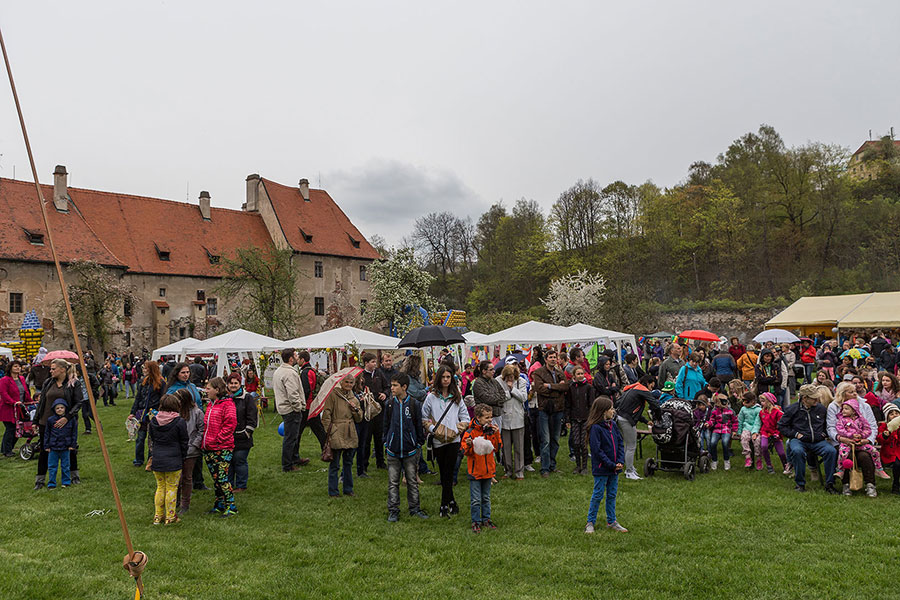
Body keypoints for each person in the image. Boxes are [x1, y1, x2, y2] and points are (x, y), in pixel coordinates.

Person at [422, 365, 469, 517]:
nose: (446, 380)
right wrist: (433, 430)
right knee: (444, 472)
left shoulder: (457, 397)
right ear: (438, 378)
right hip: (438, 440)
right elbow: (424, 417)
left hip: (454, 439)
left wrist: (457, 429)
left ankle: (444, 504)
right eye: (443, 377)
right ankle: (452, 502)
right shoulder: (431, 397)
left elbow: (465, 417)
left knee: (449, 471)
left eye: (448, 377)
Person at [778, 384, 839, 494]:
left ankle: (830, 484)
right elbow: (782, 426)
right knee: (797, 451)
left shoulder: (820, 409)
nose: (817, 399)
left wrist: (824, 434)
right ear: (805, 398)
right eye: (814, 398)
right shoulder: (792, 409)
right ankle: (800, 484)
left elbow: (827, 424)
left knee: (831, 451)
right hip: (799, 440)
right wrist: (795, 434)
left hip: (818, 441)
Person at [33, 359, 84, 490]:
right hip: (46, 421)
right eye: (50, 368)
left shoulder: (73, 384)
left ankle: (73, 476)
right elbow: (42, 402)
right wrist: (36, 420)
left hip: (65, 422)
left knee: (70, 449)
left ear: (62, 369)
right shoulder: (48, 383)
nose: (50, 371)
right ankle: (40, 479)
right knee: (45, 449)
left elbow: (78, 402)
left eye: (53, 368)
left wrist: (67, 417)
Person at [383, 372, 427, 520]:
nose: (392, 388)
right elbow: (386, 425)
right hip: (393, 450)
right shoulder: (389, 404)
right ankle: (393, 510)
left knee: (412, 481)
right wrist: (386, 441)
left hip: (410, 450)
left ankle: (415, 508)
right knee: (393, 483)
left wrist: (418, 442)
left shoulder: (414, 404)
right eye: (391, 385)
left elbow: (418, 425)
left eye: (395, 385)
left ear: (404, 387)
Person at [584, 395, 627, 534]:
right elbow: (597, 451)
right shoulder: (596, 428)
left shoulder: (613, 425)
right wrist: (610, 464)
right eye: (611, 408)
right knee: (598, 495)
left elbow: (620, 443)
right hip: (602, 469)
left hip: (614, 468)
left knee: (612, 494)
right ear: (603, 411)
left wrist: (620, 461)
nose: (613, 411)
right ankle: (590, 522)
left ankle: (612, 521)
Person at [321, 369, 363, 499]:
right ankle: (333, 491)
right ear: (341, 382)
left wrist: (355, 410)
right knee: (335, 464)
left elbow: (359, 418)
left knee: (348, 463)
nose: (349, 385)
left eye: (351, 383)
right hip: (337, 431)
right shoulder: (333, 395)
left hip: (350, 432)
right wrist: (331, 431)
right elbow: (326, 416)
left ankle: (348, 489)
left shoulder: (354, 398)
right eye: (347, 382)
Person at [460, 403, 502, 533]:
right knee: (476, 499)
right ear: (478, 417)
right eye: (487, 417)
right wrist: (468, 445)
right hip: (475, 471)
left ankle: (486, 519)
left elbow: (496, 447)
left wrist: (496, 435)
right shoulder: (470, 432)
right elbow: (465, 451)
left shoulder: (490, 430)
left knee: (486, 498)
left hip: (488, 470)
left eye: (491, 417)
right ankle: (476, 521)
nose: (490, 420)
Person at [149, 394, 188, 524]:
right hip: (174, 459)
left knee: (160, 487)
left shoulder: (154, 421)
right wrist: (183, 456)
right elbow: (184, 441)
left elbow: (152, 440)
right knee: (172, 488)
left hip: (158, 458)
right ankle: (170, 517)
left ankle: (158, 516)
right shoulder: (179, 422)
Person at [202, 377, 238, 516]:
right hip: (208, 447)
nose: (206, 390)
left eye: (208, 388)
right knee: (216, 478)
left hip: (222, 448)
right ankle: (219, 503)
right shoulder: (211, 405)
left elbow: (230, 424)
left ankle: (231, 504)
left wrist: (218, 440)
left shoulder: (227, 404)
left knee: (222, 477)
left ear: (217, 390)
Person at [531, 350, 569, 478]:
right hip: (544, 409)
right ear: (546, 359)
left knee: (555, 439)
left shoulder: (559, 372)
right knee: (545, 440)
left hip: (558, 409)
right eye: (550, 357)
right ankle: (545, 468)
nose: (553, 359)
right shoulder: (538, 372)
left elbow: (565, 387)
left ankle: (552, 465)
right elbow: (539, 389)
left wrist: (550, 386)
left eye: (555, 357)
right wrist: (557, 387)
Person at [834, 396, 887, 480]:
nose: (843, 410)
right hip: (847, 443)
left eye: (846, 409)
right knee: (842, 454)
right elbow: (840, 430)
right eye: (843, 409)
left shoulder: (861, 420)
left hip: (859, 442)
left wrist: (861, 435)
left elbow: (868, 429)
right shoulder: (841, 420)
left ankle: (879, 469)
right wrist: (850, 435)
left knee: (874, 451)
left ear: (854, 411)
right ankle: (841, 470)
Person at [616, 375, 658, 480]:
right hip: (626, 420)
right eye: (652, 386)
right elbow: (655, 404)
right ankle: (629, 472)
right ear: (648, 383)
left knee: (627, 445)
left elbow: (634, 409)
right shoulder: (643, 390)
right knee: (631, 446)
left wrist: (645, 421)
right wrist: (659, 416)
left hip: (620, 417)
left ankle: (630, 467)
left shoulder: (634, 388)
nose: (651, 388)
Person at [273, 348, 307, 472]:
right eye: (296, 355)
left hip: (284, 407)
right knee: (290, 437)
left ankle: (294, 458)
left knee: (292, 436)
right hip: (290, 409)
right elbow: (292, 393)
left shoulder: (280, 371)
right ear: (291, 358)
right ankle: (287, 465)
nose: (298, 357)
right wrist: (298, 407)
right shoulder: (289, 373)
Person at [172, 388, 204, 516]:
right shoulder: (175, 413)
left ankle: (185, 504)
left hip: (191, 450)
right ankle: (175, 501)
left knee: (187, 477)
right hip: (177, 449)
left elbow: (201, 430)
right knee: (176, 478)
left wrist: (194, 445)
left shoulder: (197, 413)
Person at [356, 352, 387, 477]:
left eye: (375, 362)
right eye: (372, 362)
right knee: (366, 439)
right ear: (366, 363)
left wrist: (385, 393)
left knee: (379, 437)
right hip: (366, 410)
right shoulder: (361, 375)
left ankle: (381, 461)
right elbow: (357, 390)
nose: (375, 364)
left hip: (378, 409)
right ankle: (364, 464)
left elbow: (387, 386)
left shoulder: (379, 373)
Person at [226, 372, 257, 492]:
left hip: (243, 436)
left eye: (236, 383)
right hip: (228, 437)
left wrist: (247, 432)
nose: (233, 385)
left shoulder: (247, 398)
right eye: (231, 383)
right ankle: (229, 485)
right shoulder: (225, 398)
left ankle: (241, 485)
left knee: (239, 460)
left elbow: (252, 416)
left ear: (240, 384)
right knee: (229, 461)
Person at [130, 361, 165, 467]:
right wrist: (132, 412)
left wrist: (159, 412)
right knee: (140, 438)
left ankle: (151, 460)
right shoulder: (143, 381)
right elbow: (138, 398)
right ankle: (138, 459)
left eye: (146, 368)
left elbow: (163, 399)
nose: (144, 370)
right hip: (142, 413)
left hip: (153, 413)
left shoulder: (161, 382)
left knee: (152, 439)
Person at [497, 363, 528, 479]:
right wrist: (509, 393)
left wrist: (512, 389)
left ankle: (519, 472)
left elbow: (523, 397)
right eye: (508, 376)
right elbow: (499, 397)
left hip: (517, 417)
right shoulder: (498, 381)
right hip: (504, 417)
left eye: (512, 376)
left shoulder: (521, 381)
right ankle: (508, 470)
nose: (510, 378)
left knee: (519, 447)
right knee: (506, 447)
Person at [566, 366, 595, 475]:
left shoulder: (588, 387)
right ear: (574, 376)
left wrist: (591, 417)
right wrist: (567, 419)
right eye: (578, 374)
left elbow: (591, 403)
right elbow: (568, 403)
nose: (580, 376)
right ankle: (578, 465)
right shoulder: (571, 387)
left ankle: (584, 466)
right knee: (576, 442)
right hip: (574, 417)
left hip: (585, 418)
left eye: (582, 374)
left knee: (584, 443)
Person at [297, 351, 328, 452]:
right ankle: (326, 449)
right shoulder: (312, 370)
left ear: (303, 359)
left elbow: (306, 390)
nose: (297, 361)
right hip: (313, 405)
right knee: (319, 429)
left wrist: (302, 403)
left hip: (307, 406)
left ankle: (294, 454)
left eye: (298, 359)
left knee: (298, 431)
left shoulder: (306, 372)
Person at [0, 360, 31, 457]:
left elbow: (25, 391)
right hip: (8, 408)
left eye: (19, 366)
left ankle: (6, 449)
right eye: (15, 366)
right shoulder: (4, 380)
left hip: (20, 408)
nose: (18, 368)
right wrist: (14, 402)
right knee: (11, 429)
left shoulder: (21, 378)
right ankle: (7, 450)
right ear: (10, 369)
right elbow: (4, 394)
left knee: (19, 429)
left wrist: (30, 401)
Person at [45, 399, 77, 489]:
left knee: (66, 466)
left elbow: (74, 433)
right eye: (57, 408)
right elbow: (47, 433)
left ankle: (66, 482)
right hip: (53, 447)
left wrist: (72, 445)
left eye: (62, 408)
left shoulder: (71, 420)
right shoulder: (50, 420)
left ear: (65, 408)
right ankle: (51, 483)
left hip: (66, 446)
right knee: (52, 466)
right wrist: (46, 446)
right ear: (54, 409)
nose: (59, 409)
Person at [758, 392, 790, 475]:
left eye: (763, 401)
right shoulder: (762, 412)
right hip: (765, 432)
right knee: (764, 447)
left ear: (769, 401)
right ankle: (769, 465)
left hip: (776, 433)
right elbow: (762, 424)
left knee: (781, 453)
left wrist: (777, 433)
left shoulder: (777, 412)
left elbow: (780, 424)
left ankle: (786, 466)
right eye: (761, 401)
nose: (761, 403)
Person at [706, 393, 738, 471]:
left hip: (726, 429)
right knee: (713, 443)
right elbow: (712, 420)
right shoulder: (714, 411)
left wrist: (734, 430)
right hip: (716, 429)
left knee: (725, 443)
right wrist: (709, 424)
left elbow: (735, 421)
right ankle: (714, 460)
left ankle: (726, 460)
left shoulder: (730, 411)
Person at [472, 361, 505, 427]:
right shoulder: (478, 383)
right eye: (491, 370)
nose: (494, 371)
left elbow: (503, 394)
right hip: (485, 418)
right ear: (484, 371)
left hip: (497, 414)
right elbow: (487, 399)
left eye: (493, 369)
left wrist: (497, 399)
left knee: (497, 436)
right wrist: (499, 400)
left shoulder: (494, 381)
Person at [878, 403, 900, 494]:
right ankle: (895, 484)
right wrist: (885, 435)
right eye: (891, 414)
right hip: (889, 451)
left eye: (897, 413)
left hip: (898, 449)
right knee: (897, 464)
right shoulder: (884, 426)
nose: (894, 415)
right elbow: (879, 439)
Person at [737, 391, 762, 470]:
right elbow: (740, 420)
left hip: (757, 429)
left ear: (753, 401)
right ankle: (748, 457)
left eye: (746, 401)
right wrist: (739, 432)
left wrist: (755, 432)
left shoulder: (758, 410)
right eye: (743, 401)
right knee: (744, 438)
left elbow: (758, 422)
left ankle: (758, 458)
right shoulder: (743, 409)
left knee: (757, 441)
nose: (744, 403)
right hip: (746, 428)